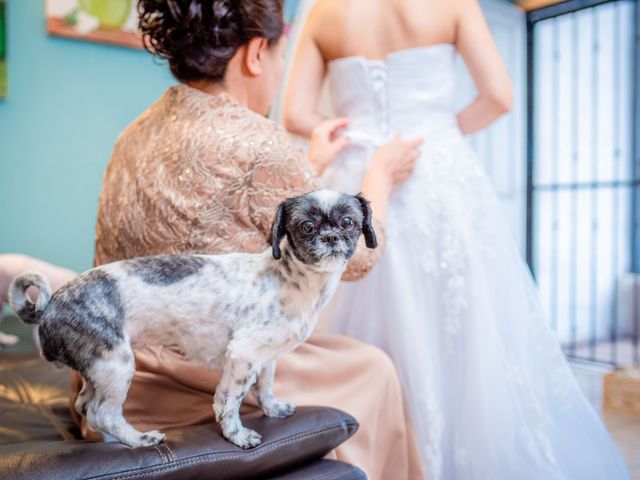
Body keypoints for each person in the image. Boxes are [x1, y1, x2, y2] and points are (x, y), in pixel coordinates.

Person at [68, 1, 425, 478]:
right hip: (196, 378)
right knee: (374, 368)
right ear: (257, 53)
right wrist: (379, 175)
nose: (277, 71)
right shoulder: (262, 143)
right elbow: (354, 260)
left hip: (112, 364)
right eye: (280, 58)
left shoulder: (131, 133)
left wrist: (307, 169)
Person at [283, 0, 630, 478]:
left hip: (357, 181)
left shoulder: (323, 11)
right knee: (468, 330)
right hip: (439, 179)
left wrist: (354, 135)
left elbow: (296, 113)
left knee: (352, 321)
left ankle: (373, 459)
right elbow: (499, 97)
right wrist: (439, 137)